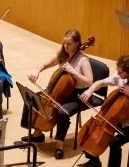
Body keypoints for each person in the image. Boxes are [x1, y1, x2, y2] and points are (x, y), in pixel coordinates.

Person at [21, 29, 93, 159]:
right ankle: (37, 133)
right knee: (32, 98)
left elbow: (89, 82)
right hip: (60, 90)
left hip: (78, 94)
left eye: (69, 44)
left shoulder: (83, 60)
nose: (65, 46)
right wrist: (37, 71)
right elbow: (44, 64)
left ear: (77, 43)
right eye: (64, 43)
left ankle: (60, 144)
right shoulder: (63, 54)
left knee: (62, 112)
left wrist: (73, 72)